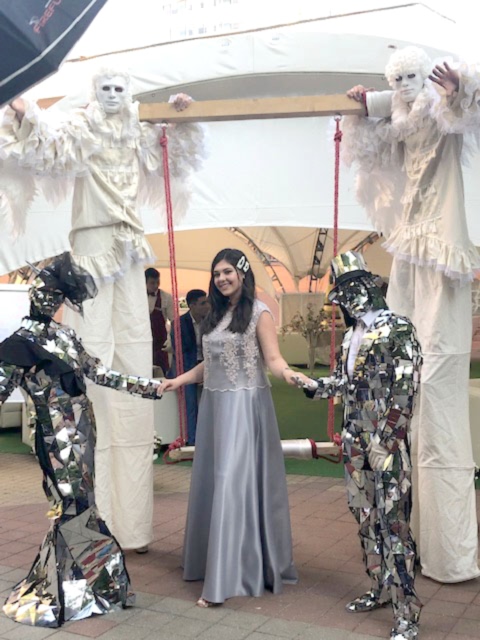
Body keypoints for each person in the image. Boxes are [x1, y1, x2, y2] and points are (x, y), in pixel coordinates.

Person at [0, 69, 204, 553]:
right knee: (90, 363)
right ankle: (93, 519)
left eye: (119, 90)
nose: (113, 96)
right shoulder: (82, 127)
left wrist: (182, 119)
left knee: (131, 362)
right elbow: (46, 149)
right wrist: (26, 114)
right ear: (95, 94)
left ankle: (131, 526)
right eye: (105, 89)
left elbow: (175, 157)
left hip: (128, 250)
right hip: (92, 250)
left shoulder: (137, 132)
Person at [343, 46, 480, 583]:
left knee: (439, 384)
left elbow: (465, 108)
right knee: (401, 381)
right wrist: (362, 105)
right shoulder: (399, 118)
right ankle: (410, 537)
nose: (403, 84)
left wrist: (459, 89)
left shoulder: (443, 112)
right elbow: (371, 133)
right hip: (407, 252)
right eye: (395, 77)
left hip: (441, 249)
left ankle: (449, 551)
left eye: (412, 76)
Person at [0, 253, 163, 628]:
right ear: (33, 292)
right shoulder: (18, 344)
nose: (48, 298)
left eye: (55, 293)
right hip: (53, 435)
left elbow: (99, 373)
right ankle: (67, 589)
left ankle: (89, 587)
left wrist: (147, 386)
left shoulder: (66, 336)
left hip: (85, 431)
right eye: (44, 290)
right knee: (70, 505)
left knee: (84, 504)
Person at [160, 248, 310, 607]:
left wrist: (292, 375)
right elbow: (209, 365)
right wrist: (179, 380)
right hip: (215, 407)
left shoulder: (259, 313)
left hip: (245, 406)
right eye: (217, 274)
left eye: (227, 272)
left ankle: (225, 579)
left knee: (231, 481)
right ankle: (215, 563)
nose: (222, 279)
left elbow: (273, 359)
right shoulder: (213, 315)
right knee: (213, 481)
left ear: (242, 273)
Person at [302, 251, 422, 640]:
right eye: (342, 292)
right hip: (355, 444)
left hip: (386, 448)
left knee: (394, 526)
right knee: (366, 519)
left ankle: (407, 613)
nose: (347, 299)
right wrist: (315, 387)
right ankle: (380, 588)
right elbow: (345, 382)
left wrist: (387, 442)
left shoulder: (398, 329)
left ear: (369, 286)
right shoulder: (351, 337)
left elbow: (406, 391)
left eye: (352, 288)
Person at [168, 288, 210, 444]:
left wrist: (205, 371)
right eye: (203, 303)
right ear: (192, 306)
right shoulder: (178, 324)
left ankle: (209, 439)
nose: (207, 306)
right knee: (190, 404)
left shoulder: (211, 321)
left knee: (211, 402)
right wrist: (196, 375)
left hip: (206, 365)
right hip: (186, 367)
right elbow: (181, 353)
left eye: (207, 302)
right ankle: (193, 441)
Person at [146, 267, 174, 375]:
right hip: (142, 339)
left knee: (161, 372)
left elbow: (173, 320)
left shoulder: (166, 297)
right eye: (152, 283)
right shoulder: (137, 297)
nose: (156, 285)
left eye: (157, 282)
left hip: (160, 342)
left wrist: (171, 339)